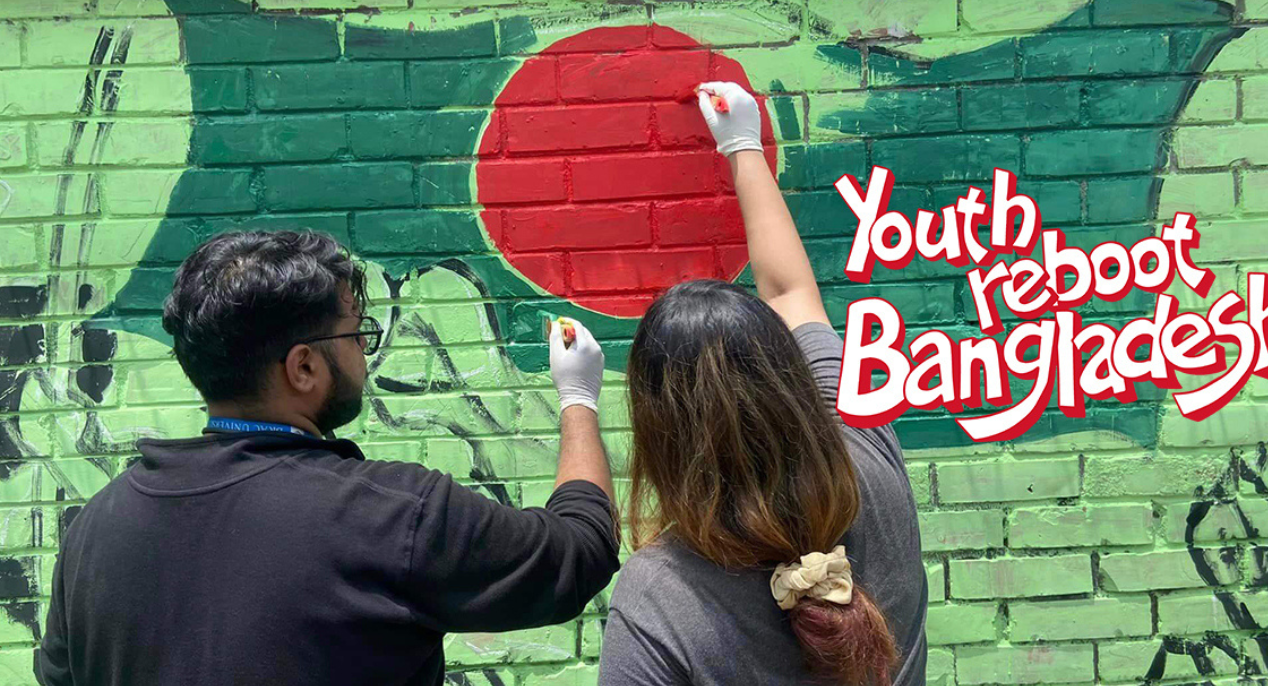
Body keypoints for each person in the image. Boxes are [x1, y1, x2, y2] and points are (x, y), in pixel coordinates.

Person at [36, 231, 619, 686]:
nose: (365, 350)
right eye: (355, 333)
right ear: (304, 368)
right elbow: (580, 550)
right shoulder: (391, 516)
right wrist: (577, 398)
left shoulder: (98, 525)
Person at [598, 82, 927, 686]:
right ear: (789, 379)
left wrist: (575, 400)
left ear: (661, 439)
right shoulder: (865, 443)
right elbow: (792, 294)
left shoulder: (660, 595)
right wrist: (744, 143)